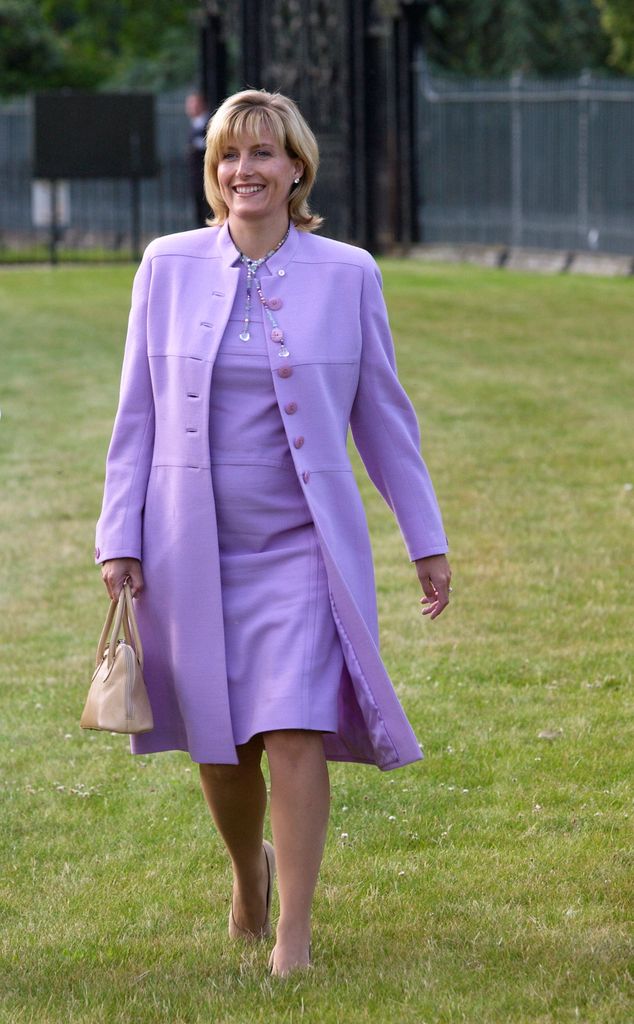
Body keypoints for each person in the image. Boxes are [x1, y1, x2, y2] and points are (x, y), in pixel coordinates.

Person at [95, 89, 452, 978]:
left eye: (261, 155)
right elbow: (134, 413)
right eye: (226, 157)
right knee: (220, 746)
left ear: (297, 168)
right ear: (212, 175)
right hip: (191, 550)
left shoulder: (350, 274)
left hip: (304, 549)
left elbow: (384, 421)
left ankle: (292, 934)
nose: (242, 171)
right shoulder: (165, 266)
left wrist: (426, 540)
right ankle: (246, 882)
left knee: (292, 728)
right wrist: (119, 536)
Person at [185, 91, 210, 227]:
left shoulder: (210, 123)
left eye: (194, 103)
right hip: (196, 177)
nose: (191, 107)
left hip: (206, 176)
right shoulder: (194, 125)